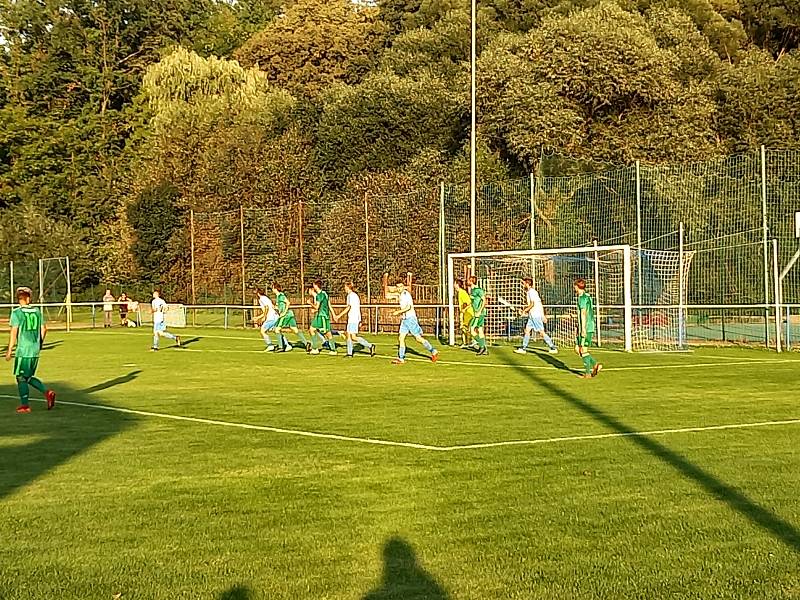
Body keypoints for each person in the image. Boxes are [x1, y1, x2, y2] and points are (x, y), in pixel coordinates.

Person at [5, 287, 56, 413]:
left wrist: (9, 350)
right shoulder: (37, 311)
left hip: (24, 349)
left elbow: (14, 332)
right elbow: (44, 329)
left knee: (21, 377)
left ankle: (25, 405)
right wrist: (39, 343)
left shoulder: (17, 312)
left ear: (19, 299)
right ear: (28, 298)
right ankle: (47, 393)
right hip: (35, 349)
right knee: (27, 377)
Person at [391, 280, 438, 365]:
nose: (399, 288)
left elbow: (409, 307)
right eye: (397, 287)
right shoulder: (401, 295)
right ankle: (401, 358)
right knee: (401, 338)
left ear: (403, 286)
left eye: (400, 286)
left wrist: (398, 312)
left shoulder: (406, 295)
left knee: (418, 338)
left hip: (410, 319)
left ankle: (433, 351)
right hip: (404, 320)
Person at [515, 277, 558, 355]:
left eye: (524, 283)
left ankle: (553, 347)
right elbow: (534, 304)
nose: (523, 285)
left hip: (535, 316)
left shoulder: (532, 292)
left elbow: (532, 304)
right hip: (532, 316)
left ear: (527, 284)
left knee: (541, 332)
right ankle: (523, 348)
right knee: (527, 330)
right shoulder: (529, 292)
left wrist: (524, 311)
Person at [333, 282, 376, 358]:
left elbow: (349, 307)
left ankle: (370, 346)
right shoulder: (354, 295)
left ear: (348, 287)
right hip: (353, 318)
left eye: (345, 287)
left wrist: (339, 315)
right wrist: (360, 319)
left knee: (352, 336)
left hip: (353, 318)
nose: (344, 288)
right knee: (349, 335)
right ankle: (350, 353)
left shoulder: (351, 296)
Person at [574, 278, 602, 378]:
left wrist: (583, 329)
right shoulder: (588, 296)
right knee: (577, 349)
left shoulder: (582, 298)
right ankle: (595, 365)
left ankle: (588, 373)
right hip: (588, 325)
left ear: (577, 287)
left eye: (575, 286)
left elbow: (583, 313)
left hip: (586, 327)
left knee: (583, 350)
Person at [272, 283, 309, 352]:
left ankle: (281, 347)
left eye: (273, 288)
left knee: (277, 330)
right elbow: (281, 306)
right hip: (290, 315)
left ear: (275, 288)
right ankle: (306, 343)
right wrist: (275, 308)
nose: (272, 290)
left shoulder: (280, 295)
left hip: (286, 315)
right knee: (295, 330)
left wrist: (284, 312)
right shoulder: (278, 297)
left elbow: (288, 303)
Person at [308, 280, 337, 355]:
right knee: (311, 329)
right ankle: (315, 348)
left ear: (316, 286)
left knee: (327, 333)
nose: (313, 287)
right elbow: (329, 305)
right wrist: (333, 314)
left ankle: (333, 350)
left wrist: (310, 303)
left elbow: (317, 307)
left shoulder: (319, 295)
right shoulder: (325, 293)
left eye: (313, 285)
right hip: (319, 316)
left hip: (322, 316)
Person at [467, 276, 488, 356]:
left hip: (479, 313)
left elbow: (484, 301)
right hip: (476, 313)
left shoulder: (479, 290)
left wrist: (479, 311)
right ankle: (484, 349)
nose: (467, 282)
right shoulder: (472, 290)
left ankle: (482, 346)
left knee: (471, 329)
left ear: (471, 281)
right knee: (480, 330)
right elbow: (473, 302)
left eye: (468, 280)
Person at [454, 279, 474, 349]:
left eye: (454, 283)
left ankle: (472, 341)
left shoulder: (462, 292)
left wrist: (464, 310)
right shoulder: (459, 293)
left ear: (457, 284)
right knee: (462, 328)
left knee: (466, 328)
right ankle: (465, 342)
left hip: (468, 312)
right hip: (463, 312)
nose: (454, 285)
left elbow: (469, 303)